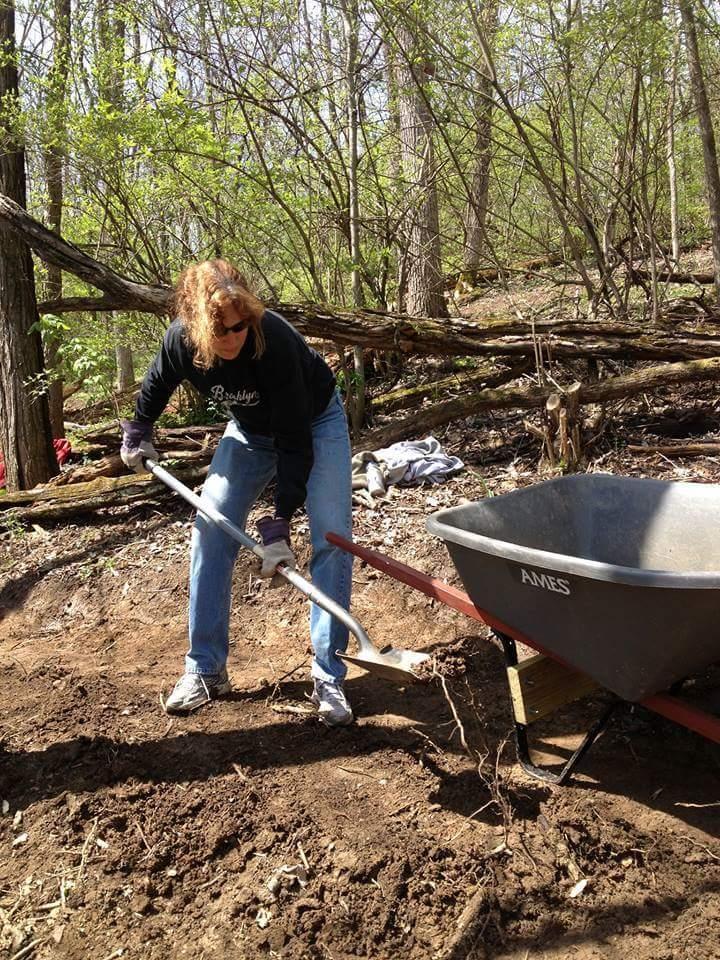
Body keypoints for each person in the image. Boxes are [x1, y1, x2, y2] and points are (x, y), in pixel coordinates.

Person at [120, 259, 354, 725]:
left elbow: (293, 441)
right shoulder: (180, 341)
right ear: (197, 327)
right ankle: (205, 668)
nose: (231, 339)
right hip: (247, 433)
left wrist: (280, 519)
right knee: (211, 526)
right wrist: (140, 429)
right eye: (220, 332)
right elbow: (157, 381)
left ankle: (329, 674)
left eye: (238, 327)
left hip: (313, 424)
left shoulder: (276, 341)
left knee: (330, 534)